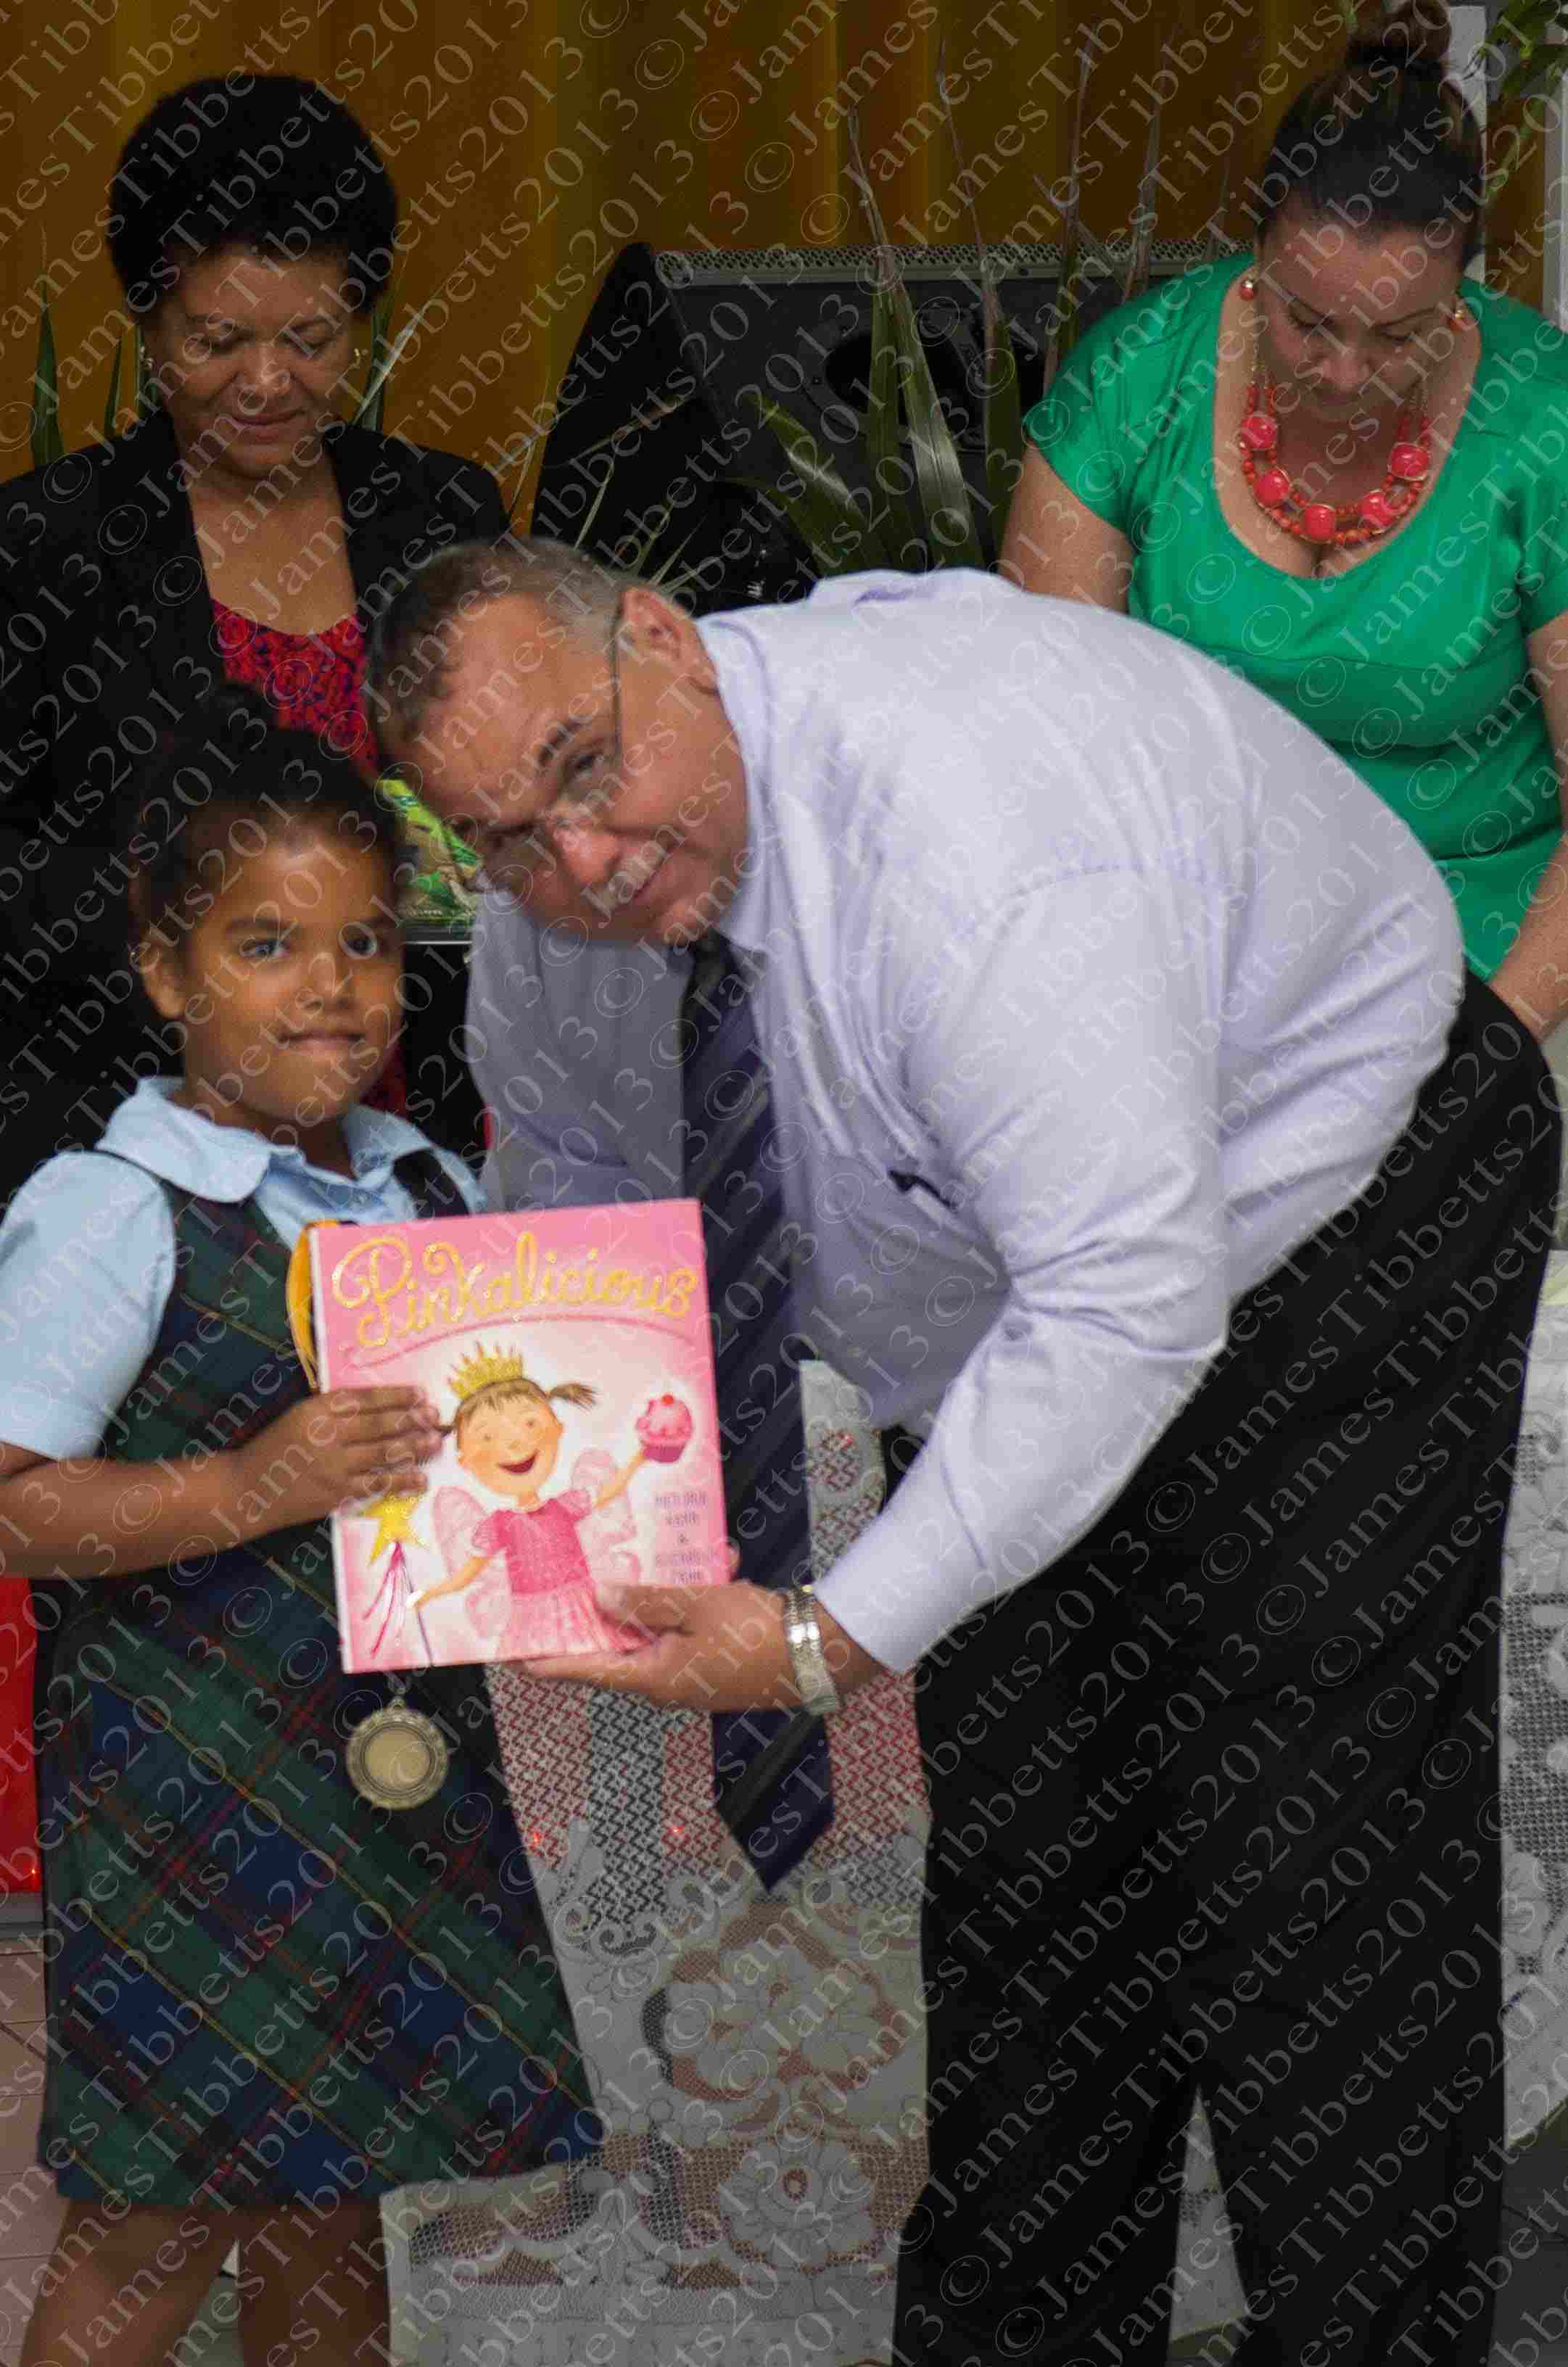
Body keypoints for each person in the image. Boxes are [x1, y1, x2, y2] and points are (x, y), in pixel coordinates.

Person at [363, 536, 1559, 2366]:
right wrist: (529, 1499)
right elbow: (583, 1183)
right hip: (1009, 1293)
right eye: (503, 841)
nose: (577, 864)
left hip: (1333, 1211)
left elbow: (1122, 1300)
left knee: (1302, 1866)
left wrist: (821, 1638)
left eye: (585, 772)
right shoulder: (570, 910)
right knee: (1029, 1866)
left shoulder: (973, 836)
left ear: (665, 640)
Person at [0, 688, 599, 2367]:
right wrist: (243, 1489)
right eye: (265, 946)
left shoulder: (435, 1195)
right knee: (153, 2218)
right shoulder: (112, 1212)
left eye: (364, 944)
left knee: (344, 2200)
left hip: (399, 1790)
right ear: (166, 972)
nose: (329, 986)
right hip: (186, 1805)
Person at [1001, 0, 1568, 1032]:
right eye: (1305, 321)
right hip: (1191, 937)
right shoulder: (1135, 383)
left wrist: (1495, 1051)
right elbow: (1058, 748)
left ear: (1463, 289)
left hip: (1486, 953)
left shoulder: (1544, 423)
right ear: (1254, 258)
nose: (1344, 374)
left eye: (1400, 336)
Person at [0, 72, 506, 1205]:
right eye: (218, 340)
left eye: (312, 339)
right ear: (147, 320)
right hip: (138, 1127)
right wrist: (224, 921)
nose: (268, 383)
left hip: (417, 1112)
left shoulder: (441, 514)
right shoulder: (45, 544)